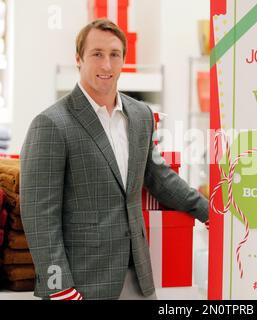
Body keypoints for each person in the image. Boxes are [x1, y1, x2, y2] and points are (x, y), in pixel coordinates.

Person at [20, 19, 209, 300]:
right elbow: (39, 214)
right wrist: (58, 287)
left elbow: (159, 176)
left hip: (139, 276)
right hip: (82, 282)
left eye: (114, 55)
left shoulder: (141, 115)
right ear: (79, 59)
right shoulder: (51, 123)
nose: (106, 65)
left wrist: (210, 213)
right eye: (97, 54)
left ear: (124, 60)